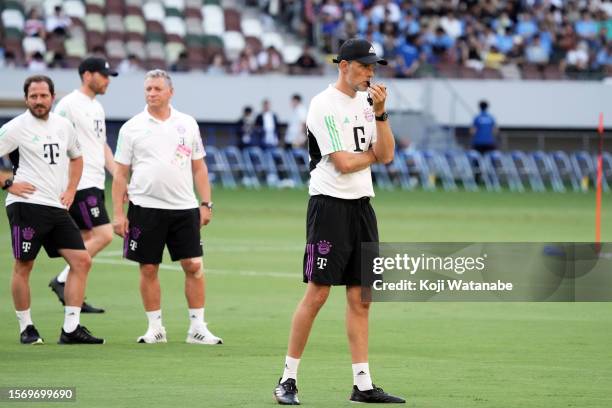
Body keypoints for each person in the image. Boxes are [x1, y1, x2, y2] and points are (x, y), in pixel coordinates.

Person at [273, 38, 405, 404]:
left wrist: (381, 114)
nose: (370, 73)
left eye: (374, 67)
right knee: (317, 293)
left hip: (363, 205)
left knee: (362, 299)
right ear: (343, 65)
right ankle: (287, 380)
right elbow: (344, 164)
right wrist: (372, 156)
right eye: (365, 66)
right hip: (329, 205)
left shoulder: (368, 102)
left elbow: (388, 155)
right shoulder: (322, 105)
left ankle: (362, 384)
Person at [111, 69, 222, 345]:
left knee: (193, 265)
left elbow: (199, 167)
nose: (151, 93)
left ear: (170, 92)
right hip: (144, 207)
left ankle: (197, 328)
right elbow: (120, 174)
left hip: (184, 207)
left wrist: (205, 203)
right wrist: (117, 213)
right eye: (148, 89)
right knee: (148, 268)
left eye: (157, 89)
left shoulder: (187, 124)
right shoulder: (132, 127)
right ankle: (155, 328)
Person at [0, 75, 104, 344]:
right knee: (24, 264)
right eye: (33, 96)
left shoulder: (64, 125)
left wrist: (71, 190)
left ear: (52, 97)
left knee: (82, 260)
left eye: (43, 96)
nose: (38, 101)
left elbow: (77, 157)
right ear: (26, 99)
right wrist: (8, 184)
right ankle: (27, 328)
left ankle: (71, 329)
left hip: (56, 206)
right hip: (26, 206)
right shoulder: (15, 127)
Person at [48, 57, 118, 314]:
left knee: (87, 240)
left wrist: (117, 173)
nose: (108, 80)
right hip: (80, 182)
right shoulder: (68, 105)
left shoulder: (96, 107)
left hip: (95, 181)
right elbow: (55, 138)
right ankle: (62, 280)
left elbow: (101, 145)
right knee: (104, 235)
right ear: (87, 75)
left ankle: (74, 297)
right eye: (104, 75)